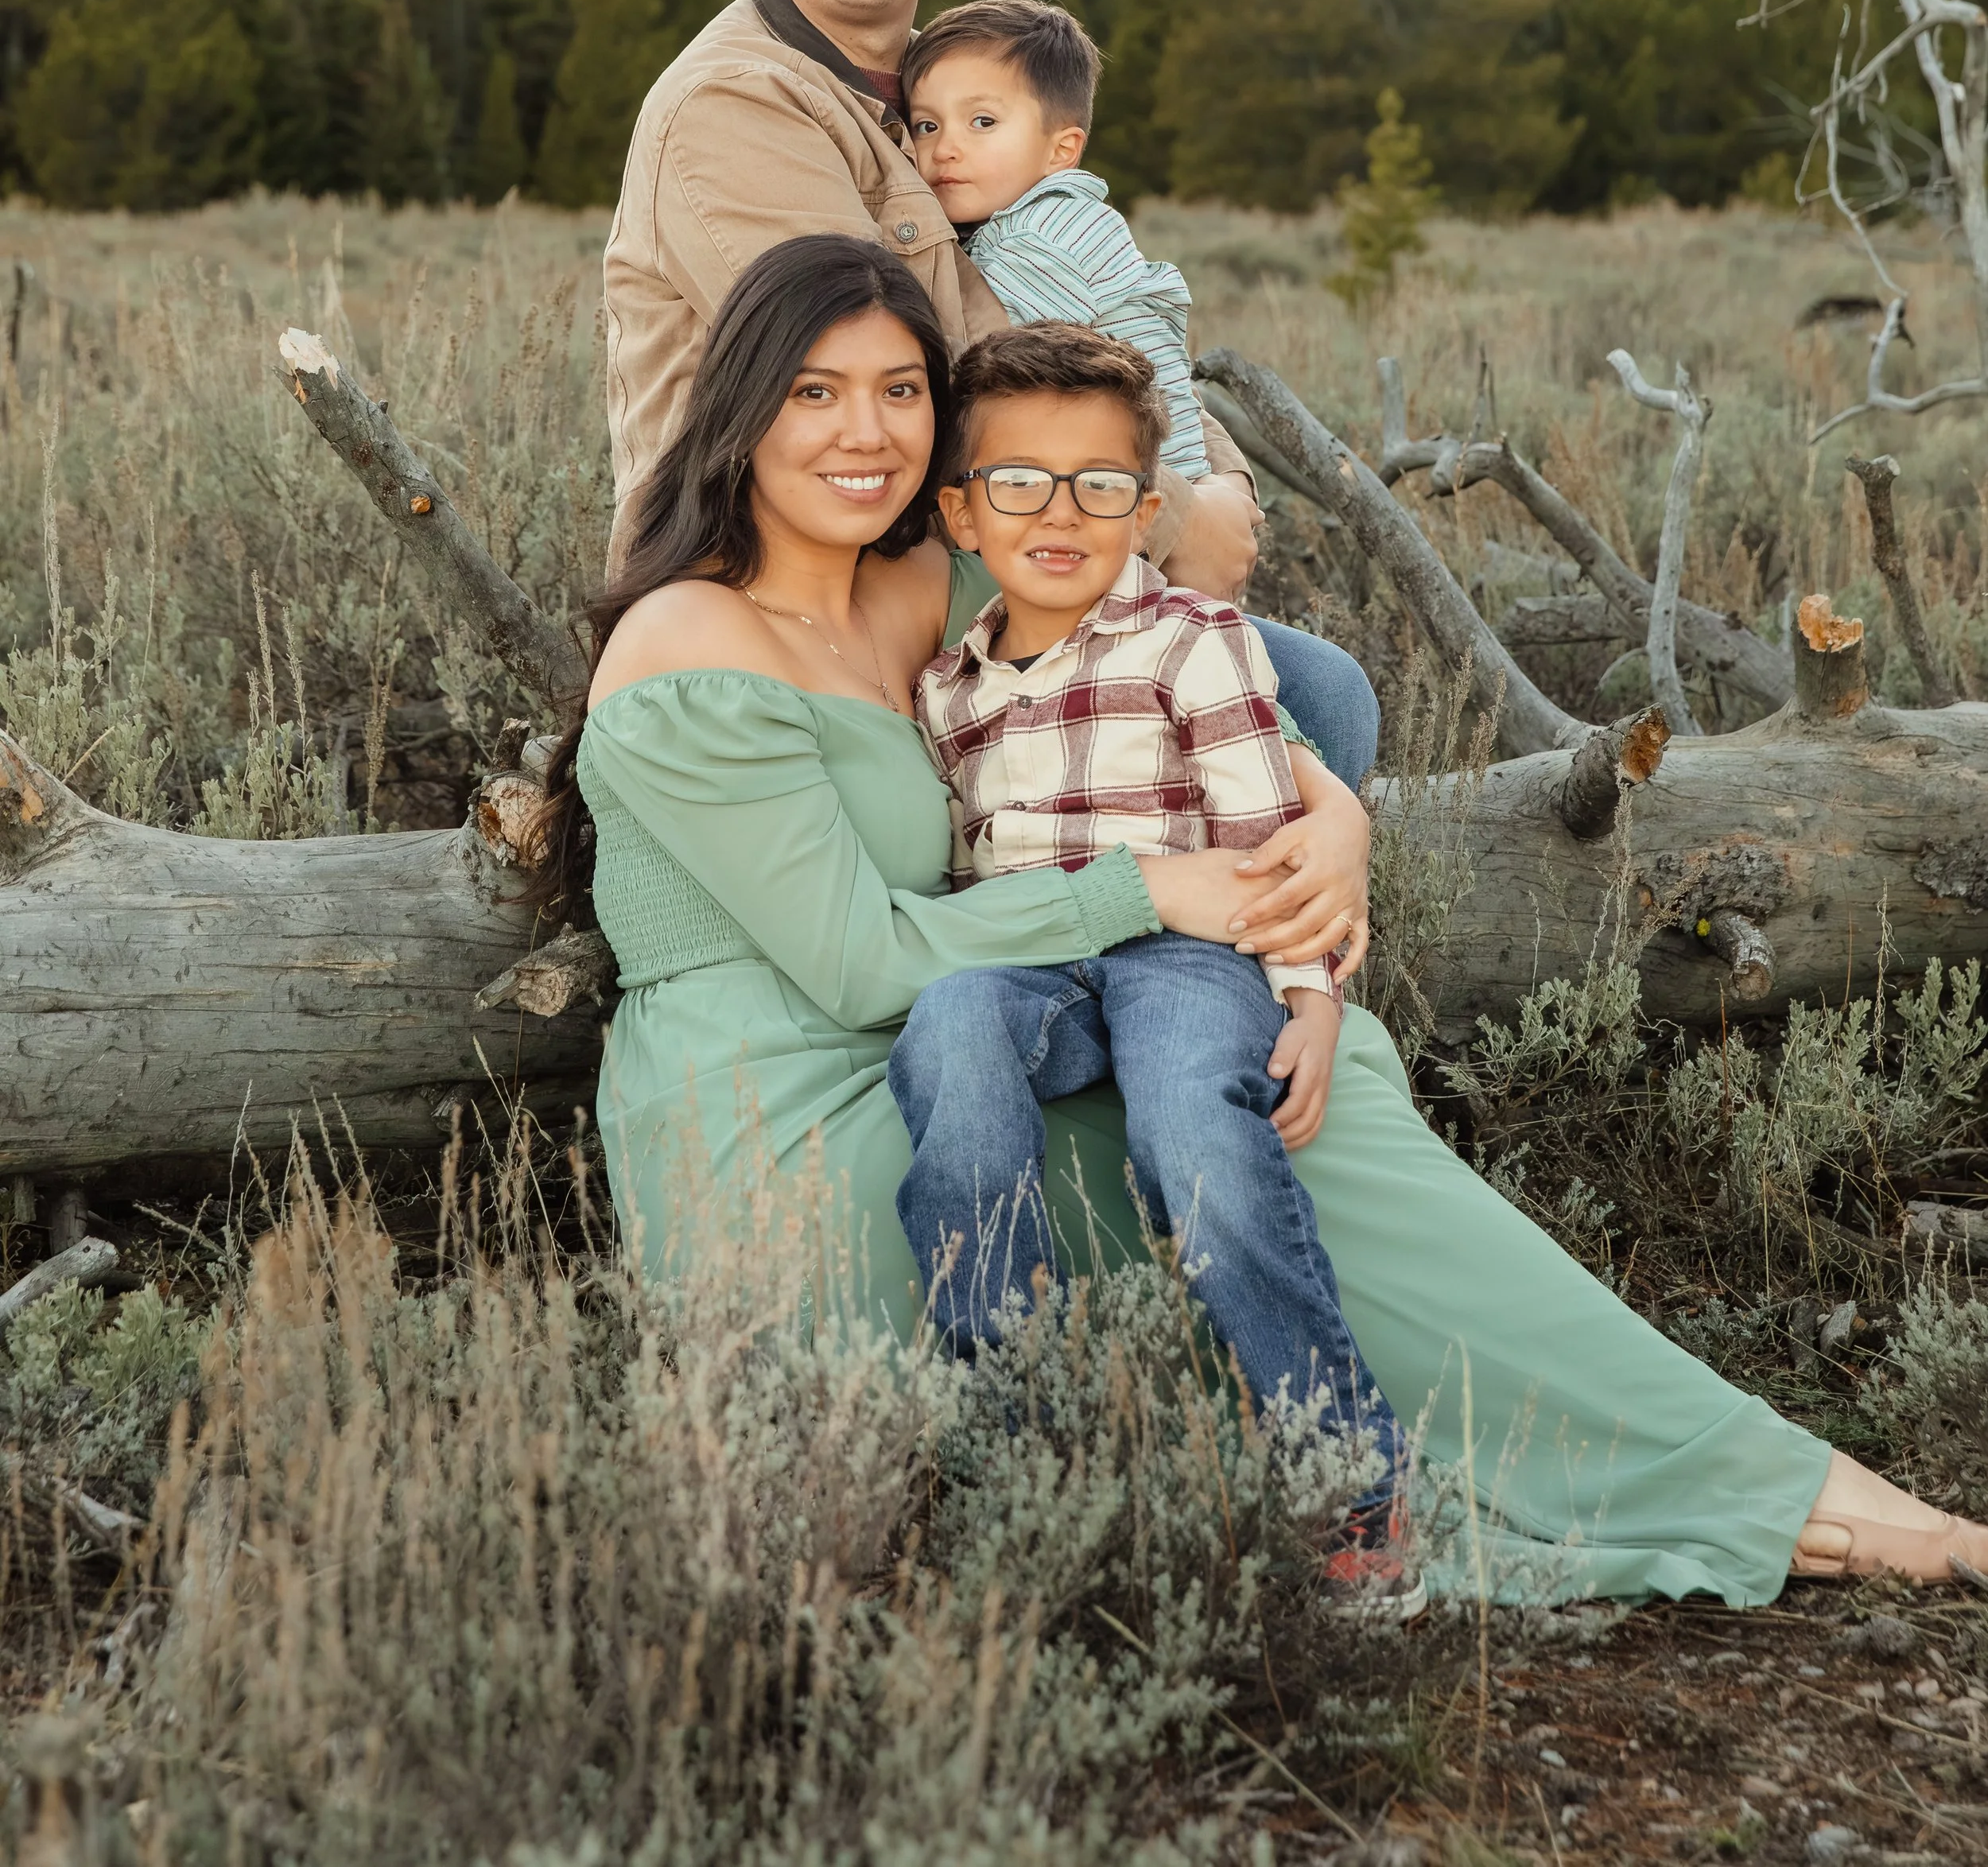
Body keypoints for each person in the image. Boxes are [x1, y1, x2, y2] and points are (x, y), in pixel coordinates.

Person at [534, 231, 1988, 1606]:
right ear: (737, 413)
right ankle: (1506, 1491)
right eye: (814, 393)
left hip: (971, 1014)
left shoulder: (916, 576)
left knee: (1305, 1090)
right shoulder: (687, 646)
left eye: (902, 391)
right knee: (1255, 1123)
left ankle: (1710, 1473)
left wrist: (1330, 814)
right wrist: (1152, 888)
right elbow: (856, 960)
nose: (866, 434)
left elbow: (1167, 674)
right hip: (789, 1109)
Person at [600, 0, 1377, 790]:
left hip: (963, 562)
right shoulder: (738, 106)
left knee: (1308, 699)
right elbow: (904, 380)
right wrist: (1164, 508)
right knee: (1308, 703)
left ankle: (1205, 941)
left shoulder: (941, 98)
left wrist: (1209, 483)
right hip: (787, 612)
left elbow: (1109, 300)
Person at [890, 320, 1415, 1613]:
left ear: (1145, 505)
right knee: (952, 1036)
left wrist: (1314, 1001)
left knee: (1194, 1125)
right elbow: (965, 879)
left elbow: (1266, 837)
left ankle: (1346, 1472)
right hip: (1036, 960)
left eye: (1100, 486)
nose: (1058, 515)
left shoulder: (1197, 643)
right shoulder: (944, 691)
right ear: (961, 511)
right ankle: (1018, 1446)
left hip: (1188, 947)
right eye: (1017, 482)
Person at [900, 0, 1207, 479]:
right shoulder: (1049, 218)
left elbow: (974, 366)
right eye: (926, 125)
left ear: (1061, 150)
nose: (944, 149)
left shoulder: (1042, 237)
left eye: (983, 122)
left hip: (1133, 489)